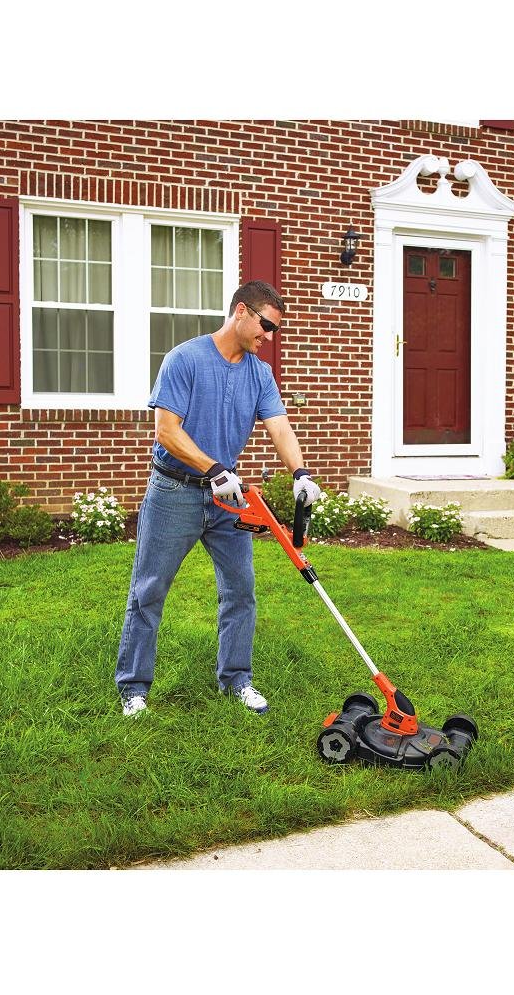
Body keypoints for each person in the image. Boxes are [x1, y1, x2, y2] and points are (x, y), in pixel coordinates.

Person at [115, 280, 321, 717]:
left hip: (227, 498)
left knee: (240, 590)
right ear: (241, 311)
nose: (269, 337)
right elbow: (166, 431)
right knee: (149, 590)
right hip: (175, 491)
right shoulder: (185, 359)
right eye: (266, 326)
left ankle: (236, 679)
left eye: (274, 330)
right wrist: (212, 469)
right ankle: (133, 688)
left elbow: (280, 427)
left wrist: (300, 473)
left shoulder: (259, 374)